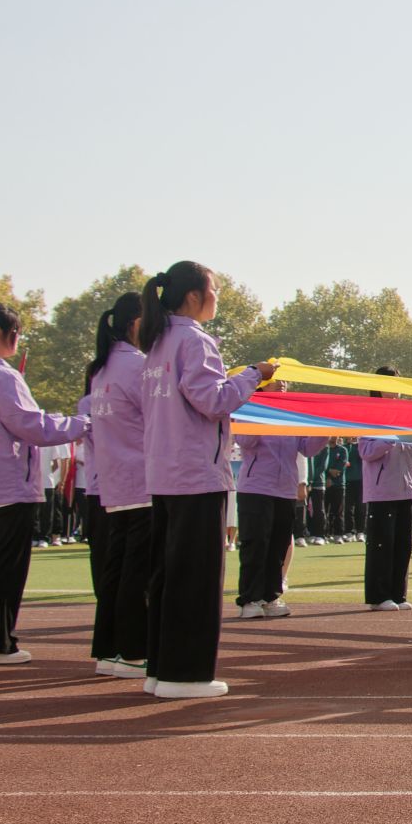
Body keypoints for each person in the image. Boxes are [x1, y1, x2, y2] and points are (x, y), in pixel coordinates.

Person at [140, 262, 269, 699]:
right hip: (195, 474)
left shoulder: (157, 342)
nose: (217, 297)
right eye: (214, 289)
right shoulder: (193, 340)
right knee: (195, 579)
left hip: (165, 474)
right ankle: (186, 675)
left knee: (167, 577)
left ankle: (161, 669)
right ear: (194, 296)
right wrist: (253, 374)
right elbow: (213, 400)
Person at [0, 303, 90, 666]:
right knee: (3, 569)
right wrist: (81, 423)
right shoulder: (1, 375)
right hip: (7, 485)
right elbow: (33, 426)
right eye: (16, 333)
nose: (17, 340)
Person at [86, 292, 153, 677]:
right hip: (142, 479)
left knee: (116, 568)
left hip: (114, 483)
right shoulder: (138, 366)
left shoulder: (103, 368)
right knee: (138, 571)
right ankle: (134, 651)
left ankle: (110, 649)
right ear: (135, 323)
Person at [234, 383, 327, 620]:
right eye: (277, 379)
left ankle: (271, 597)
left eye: (285, 379)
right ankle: (250, 599)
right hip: (256, 487)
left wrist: (325, 430)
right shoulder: (249, 407)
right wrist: (263, 414)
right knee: (255, 544)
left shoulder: (291, 413)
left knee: (278, 547)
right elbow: (244, 439)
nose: (282, 383)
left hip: (285, 490)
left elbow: (307, 448)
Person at [358, 368, 412, 612]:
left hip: (406, 490)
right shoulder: (369, 415)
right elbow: (366, 452)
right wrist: (391, 437)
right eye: (391, 384)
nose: (396, 389)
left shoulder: (404, 414)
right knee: (382, 545)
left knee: (403, 545)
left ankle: (398, 594)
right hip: (382, 492)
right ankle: (378, 596)